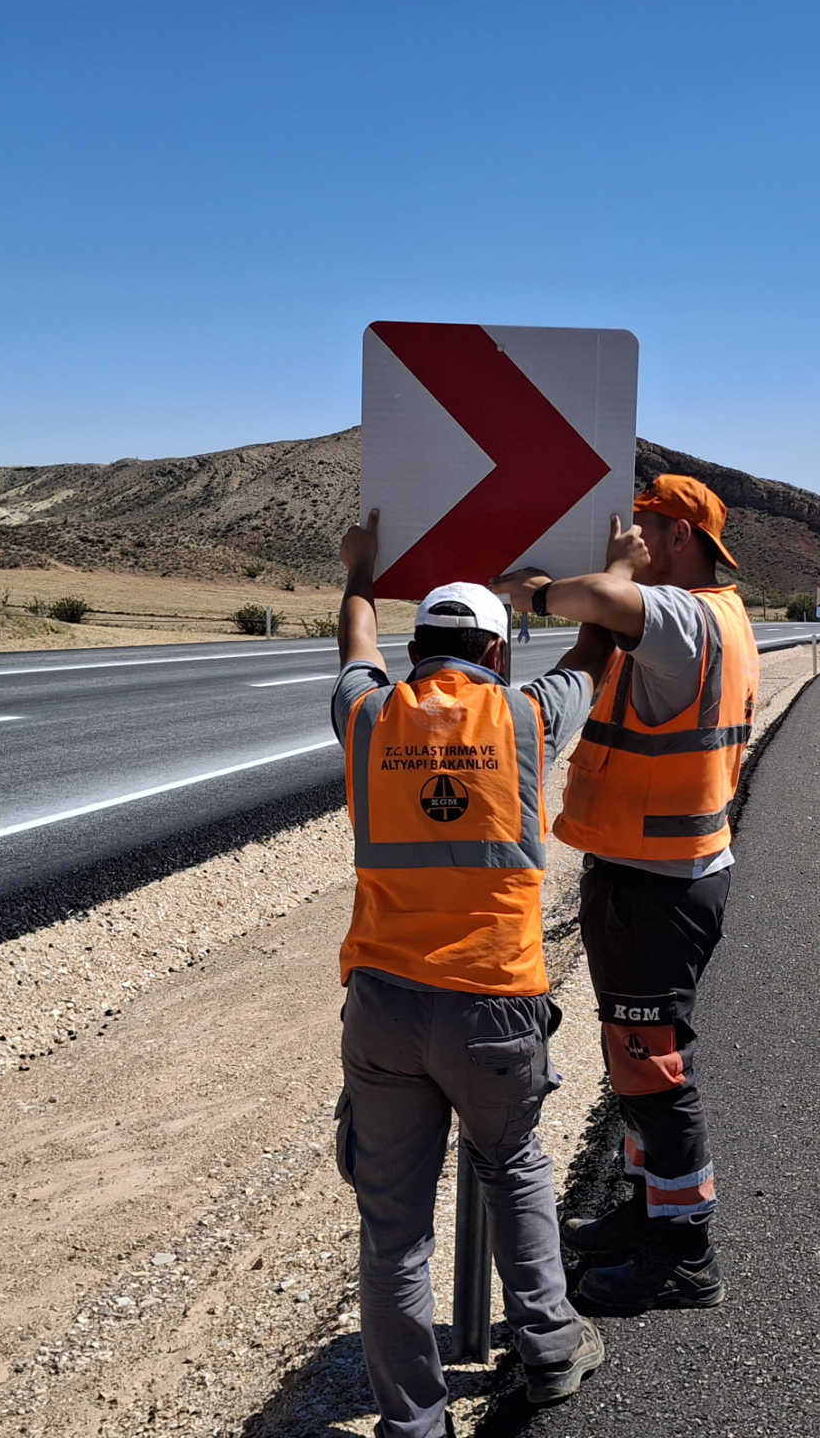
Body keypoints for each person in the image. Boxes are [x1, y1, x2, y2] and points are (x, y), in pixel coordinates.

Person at [330, 510, 607, 1438]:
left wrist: (361, 572)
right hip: (493, 1001)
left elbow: (354, 646)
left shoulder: (370, 716)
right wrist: (608, 576)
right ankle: (550, 1349)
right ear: (496, 646)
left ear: (421, 650)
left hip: (384, 1006)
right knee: (514, 1165)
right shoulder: (527, 718)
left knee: (393, 1228)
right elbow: (595, 657)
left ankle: (414, 1423)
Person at [490, 474, 760, 1316]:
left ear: (678, 537)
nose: (635, 544)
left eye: (645, 531)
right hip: (651, 872)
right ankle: (649, 1213)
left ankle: (683, 1253)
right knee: (636, 1065)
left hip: (661, 886)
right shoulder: (710, 616)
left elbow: (598, 598)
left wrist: (532, 590)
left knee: (656, 1070)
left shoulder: (684, 616)